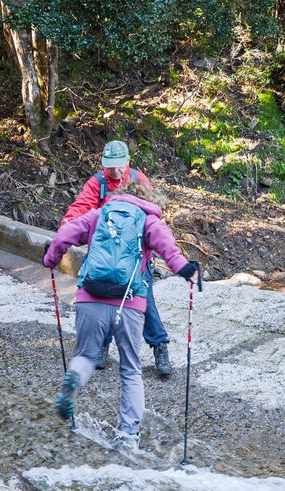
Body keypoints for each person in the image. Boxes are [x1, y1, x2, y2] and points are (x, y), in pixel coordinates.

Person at [43, 181, 199, 436]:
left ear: (117, 196)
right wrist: (185, 269)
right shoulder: (148, 221)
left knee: (86, 355)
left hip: (90, 299)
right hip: (130, 303)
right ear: (148, 199)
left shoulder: (97, 216)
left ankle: (74, 379)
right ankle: (127, 434)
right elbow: (168, 247)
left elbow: (64, 235)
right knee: (130, 369)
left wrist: (49, 259)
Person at [61, 140, 174, 377]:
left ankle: (159, 346)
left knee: (146, 303)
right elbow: (80, 209)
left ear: (127, 161)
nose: (114, 171)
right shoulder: (98, 183)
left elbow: (151, 218)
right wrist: (65, 230)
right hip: (103, 256)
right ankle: (102, 346)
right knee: (101, 299)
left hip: (134, 258)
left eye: (118, 166)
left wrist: (152, 250)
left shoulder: (138, 180)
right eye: (109, 166)